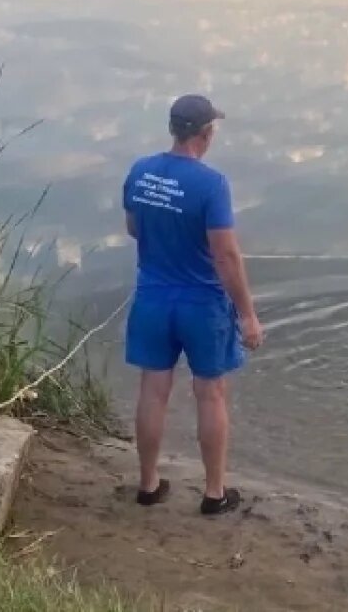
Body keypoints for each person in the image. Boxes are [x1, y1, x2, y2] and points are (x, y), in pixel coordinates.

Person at [123, 94, 264, 516]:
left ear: (173, 129)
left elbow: (134, 228)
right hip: (201, 302)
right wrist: (248, 315)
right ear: (205, 133)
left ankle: (148, 485)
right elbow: (226, 255)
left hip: (152, 297)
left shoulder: (141, 171)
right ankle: (214, 493)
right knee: (210, 395)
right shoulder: (212, 183)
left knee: (153, 390)